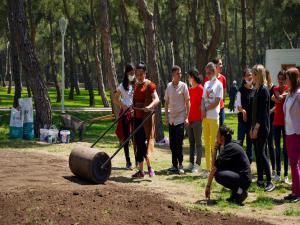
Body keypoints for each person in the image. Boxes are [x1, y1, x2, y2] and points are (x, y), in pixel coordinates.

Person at [205, 125, 252, 205]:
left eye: (217, 135)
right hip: (243, 177)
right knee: (220, 171)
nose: (216, 137)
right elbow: (216, 166)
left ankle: (241, 192)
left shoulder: (229, 148)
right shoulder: (230, 145)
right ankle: (235, 195)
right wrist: (215, 151)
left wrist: (208, 186)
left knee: (218, 175)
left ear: (222, 137)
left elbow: (214, 169)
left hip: (244, 179)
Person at [132, 62, 160, 178]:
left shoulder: (149, 85)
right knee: (138, 143)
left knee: (143, 143)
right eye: (137, 74)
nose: (139, 76)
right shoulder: (136, 85)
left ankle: (147, 168)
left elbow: (157, 99)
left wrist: (149, 106)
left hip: (146, 120)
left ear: (145, 73)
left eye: (141, 74)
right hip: (136, 119)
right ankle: (143, 170)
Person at [250, 64, 275, 192]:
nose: (251, 76)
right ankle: (260, 180)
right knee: (258, 153)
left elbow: (262, 113)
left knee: (261, 153)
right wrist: (252, 127)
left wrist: (256, 128)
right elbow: (254, 111)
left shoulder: (264, 90)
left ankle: (270, 181)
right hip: (255, 126)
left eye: (253, 74)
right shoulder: (257, 89)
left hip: (262, 127)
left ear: (258, 75)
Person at [164, 65, 190, 174]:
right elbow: (166, 102)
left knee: (178, 143)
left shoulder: (184, 86)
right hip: (171, 119)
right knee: (172, 144)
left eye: (180, 73)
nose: (180, 75)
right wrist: (166, 117)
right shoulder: (169, 86)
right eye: (178, 73)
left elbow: (188, 101)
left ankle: (180, 164)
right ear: (173, 75)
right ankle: (174, 165)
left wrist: (187, 117)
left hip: (180, 118)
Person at [202, 62, 223, 178]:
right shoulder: (206, 84)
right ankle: (207, 168)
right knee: (206, 142)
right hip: (205, 118)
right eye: (206, 73)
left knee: (214, 145)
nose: (208, 75)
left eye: (209, 73)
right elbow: (203, 99)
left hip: (214, 117)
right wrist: (202, 109)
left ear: (214, 71)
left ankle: (215, 168)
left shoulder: (218, 85)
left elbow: (216, 102)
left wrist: (205, 108)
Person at [283, 67, 300, 202]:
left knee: (294, 163)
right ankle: (294, 190)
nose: (285, 80)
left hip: (296, 132)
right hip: (288, 132)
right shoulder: (289, 93)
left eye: (287, 78)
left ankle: (298, 193)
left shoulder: (299, 94)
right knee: (292, 163)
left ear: (293, 79)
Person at [114, 64, 135, 169]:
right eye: (131, 73)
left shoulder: (135, 85)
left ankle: (137, 160)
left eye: (133, 73)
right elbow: (115, 99)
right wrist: (123, 105)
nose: (133, 75)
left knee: (136, 137)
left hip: (135, 113)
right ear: (127, 73)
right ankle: (128, 161)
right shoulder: (122, 86)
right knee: (126, 138)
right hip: (125, 114)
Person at [272, 70, 289, 183]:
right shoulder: (276, 88)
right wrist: (279, 97)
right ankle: (278, 173)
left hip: (286, 122)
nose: (281, 80)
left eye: (282, 78)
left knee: (286, 150)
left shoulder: (288, 88)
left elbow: (278, 98)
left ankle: (286, 175)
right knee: (277, 148)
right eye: (279, 78)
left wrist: (277, 98)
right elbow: (279, 98)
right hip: (276, 122)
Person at [236, 68, 255, 163]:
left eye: (251, 74)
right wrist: (243, 111)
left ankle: (249, 162)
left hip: (251, 122)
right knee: (240, 142)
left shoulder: (255, 90)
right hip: (242, 121)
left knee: (250, 143)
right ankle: (238, 161)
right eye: (248, 75)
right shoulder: (240, 90)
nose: (250, 77)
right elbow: (238, 105)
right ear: (244, 77)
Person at [186, 68, 203, 173]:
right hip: (190, 120)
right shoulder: (189, 90)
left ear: (193, 77)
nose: (188, 79)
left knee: (198, 143)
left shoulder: (201, 89)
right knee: (191, 143)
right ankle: (191, 163)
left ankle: (198, 164)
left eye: (189, 76)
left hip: (198, 120)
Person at [204, 58, 227, 126]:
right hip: (210, 109)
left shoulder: (223, 78)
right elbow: (205, 94)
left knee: (221, 128)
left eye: (221, 64)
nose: (221, 65)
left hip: (221, 108)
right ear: (214, 66)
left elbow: (224, 93)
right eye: (220, 64)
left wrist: (220, 103)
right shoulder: (207, 79)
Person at [266, 70, 276, 176]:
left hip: (272, 119)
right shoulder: (263, 88)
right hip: (264, 119)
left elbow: (278, 104)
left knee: (271, 144)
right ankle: (266, 167)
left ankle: (273, 168)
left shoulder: (274, 88)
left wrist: (270, 111)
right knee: (264, 145)